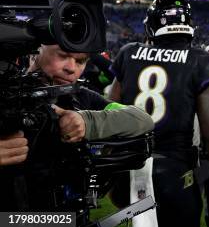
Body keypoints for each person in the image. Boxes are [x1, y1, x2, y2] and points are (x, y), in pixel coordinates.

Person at [109, 0, 209, 227]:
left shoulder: (128, 53)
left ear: (152, 24)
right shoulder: (199, 60)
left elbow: (109, 113)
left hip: (129, 171)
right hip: (174, 173)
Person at [0, 43, 154, 215]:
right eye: (63, 56)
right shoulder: (5, 95)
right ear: (35, 52)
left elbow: (142, 119)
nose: (71, 69)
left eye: (81, 61)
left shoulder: (80, 98)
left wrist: (87, 121)